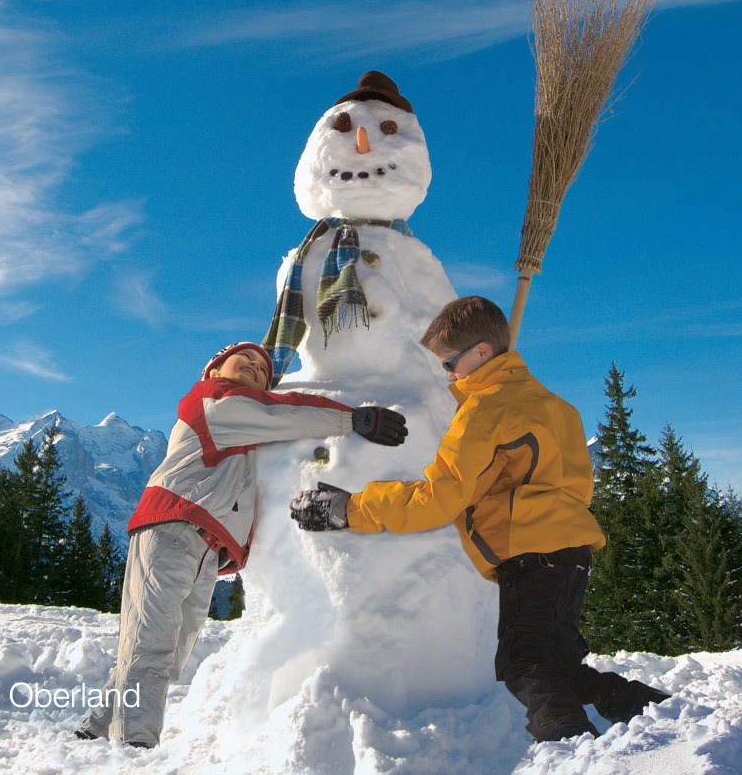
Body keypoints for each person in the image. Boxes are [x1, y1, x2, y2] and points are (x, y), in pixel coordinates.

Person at [289, 297, 669, 742]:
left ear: (483, 352)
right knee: (560, 667)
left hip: (532, 556)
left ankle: (569, 750)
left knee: (523, 664)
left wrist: (350, 508)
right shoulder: (557, 406)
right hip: (572, 554)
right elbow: (570, 486)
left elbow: (436, 499)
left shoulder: (484, 413)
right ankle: (664, 713)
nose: (449, 375)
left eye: (451, 363)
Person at [78, 341, 408, 748]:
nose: (254, 368)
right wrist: (352, 419)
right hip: (171, 530)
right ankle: (133, 746)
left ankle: (95, 727)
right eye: (244, 361)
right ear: (215, 370)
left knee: (168, 648)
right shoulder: (215, 403)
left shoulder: (239, 426)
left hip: (202, 546)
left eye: (262, 369)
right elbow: (282, 412)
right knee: (154, 643)